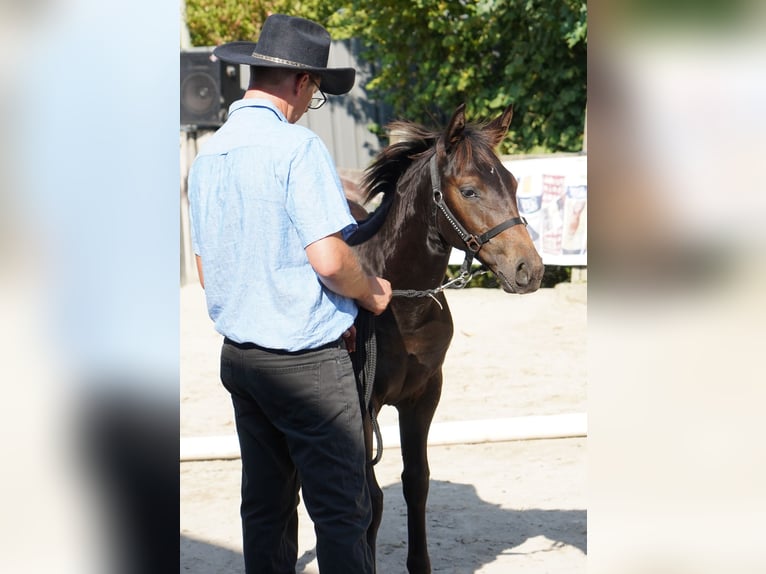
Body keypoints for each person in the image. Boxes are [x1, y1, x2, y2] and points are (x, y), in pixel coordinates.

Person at [187, 14, 392, 574]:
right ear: (300, 81)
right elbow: (328, 258)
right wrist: (372, 291)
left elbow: (208, 274)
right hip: (306, 364)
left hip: (242, 359)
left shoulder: (208, 157)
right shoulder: (296, 148)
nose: (311, 102)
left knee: (266, 508)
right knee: (341, 510)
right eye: (317, 90)